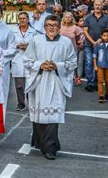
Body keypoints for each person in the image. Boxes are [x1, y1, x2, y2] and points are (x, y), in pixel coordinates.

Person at [23, 15, 77, 160]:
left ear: (59, 27)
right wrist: (40, 65)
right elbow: (27, 60)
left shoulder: (66, 42)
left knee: (52, 117)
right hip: (39, 82)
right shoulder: (36, 41)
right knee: (40, 115)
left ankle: (51, 148)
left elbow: (72, 62)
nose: (51, 27)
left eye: (54, 25)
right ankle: (41, 143)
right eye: (48, 25)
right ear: (44, 27)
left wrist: (56, 66)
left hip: (56, 83)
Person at [83, 0, 108, 92]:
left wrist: (100, 40)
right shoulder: (88, 17)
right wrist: (93, 42)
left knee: (99, 64)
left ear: (102, 6)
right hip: (89, 44)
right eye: (96, 4)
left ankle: (96, 82)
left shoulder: (106, 18)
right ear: (93, 5)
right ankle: (90, 82)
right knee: (89, 63)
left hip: (102, 45)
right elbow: (85, 31)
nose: (97, 6)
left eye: (99, 5)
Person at [11, 12, 38, 111]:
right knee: (19, 85)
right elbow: (10, 44)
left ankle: (31, 103)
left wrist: (28, 47)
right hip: (17, 58)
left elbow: (36, 45)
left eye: (24, 18)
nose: (22, 20)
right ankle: (21, 104)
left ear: (28, 20)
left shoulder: (33, 31)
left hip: (30, 59)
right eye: (20, 18)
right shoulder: (13, 31)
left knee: (30, 83)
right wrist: (17, 46)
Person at [60, 12, 84, 85]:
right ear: (63, 18)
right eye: (66, 17)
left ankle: (78, 77)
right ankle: (69, 77)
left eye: (69, 17)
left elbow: (79, 38)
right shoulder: (60, 27)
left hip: (73, 49)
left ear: (72, 18)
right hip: (62, 49)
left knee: (75, 63)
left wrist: (80, 43)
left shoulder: (75, 28)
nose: (68, 18)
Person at [93, 29, 108, 103]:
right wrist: (95, 65)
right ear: (101, 36)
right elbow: (94, 55)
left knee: (107, 81)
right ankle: (101, 95)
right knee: (100, 80)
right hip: (100, 65)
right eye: (104, 36)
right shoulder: (98, 44)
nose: (106, 37)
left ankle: (107, 93)